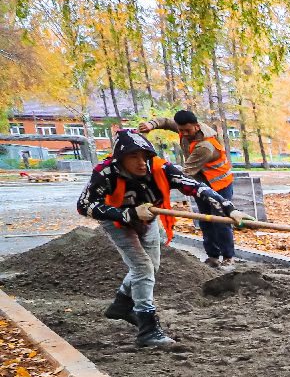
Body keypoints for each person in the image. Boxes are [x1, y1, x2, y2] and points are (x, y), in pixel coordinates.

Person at [77, 129, 240, 348]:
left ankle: (121, 305)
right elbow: (84, 205)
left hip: (148, 218)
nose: (141, 162)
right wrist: (128, 214)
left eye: (144, 156)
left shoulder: (161, 169)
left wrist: (229, 208)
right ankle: (148, 330)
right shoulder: (105, 172)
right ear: (121, 159)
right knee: (142, 268)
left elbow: (197, 187)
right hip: (116, 220)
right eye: (134, 156)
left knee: (152, 266)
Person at [135, 110, 238, 269]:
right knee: (205, 220)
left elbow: (185, 174)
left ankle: (228, 258)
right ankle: (213, 256)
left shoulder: (205, 146)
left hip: (219, 185)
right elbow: (166, 121)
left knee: (220, 221)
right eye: (180, 130)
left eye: (187, 130)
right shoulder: (185, 129)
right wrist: (151, 125)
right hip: (200, 182)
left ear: (197, 126)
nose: (183, 133)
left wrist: (159, 178)